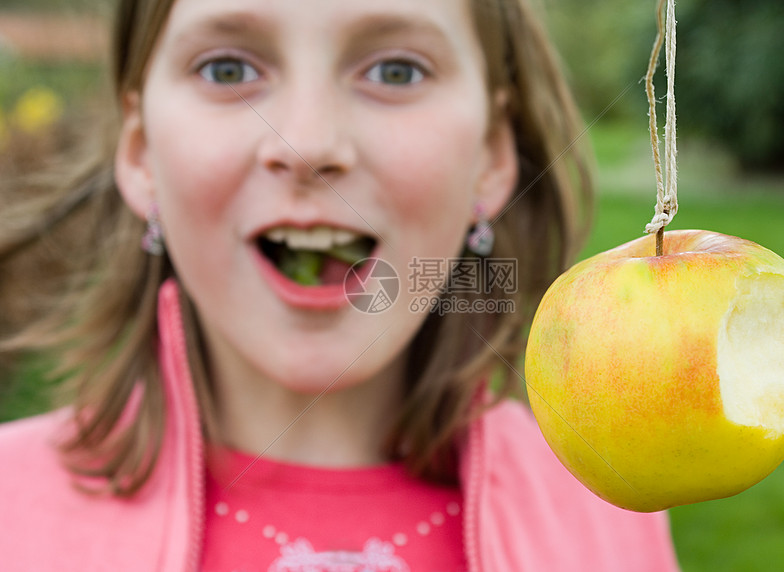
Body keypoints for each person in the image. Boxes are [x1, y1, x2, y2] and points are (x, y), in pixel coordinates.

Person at [0, 0, 680, 570]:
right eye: (228, 68)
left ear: (492, 153)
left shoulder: (606, 515)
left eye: (395, 70)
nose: (307, 144)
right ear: (141, 150)